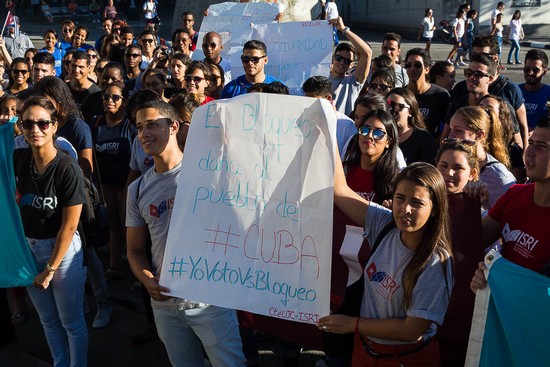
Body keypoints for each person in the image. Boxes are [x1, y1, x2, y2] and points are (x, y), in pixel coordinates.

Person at [126, 100, 246, 366]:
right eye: (139, 127)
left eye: (153, 124)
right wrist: (147, 281)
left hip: (210, 301)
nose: (145, 133)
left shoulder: (208, 174)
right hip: (164, 304)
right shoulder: (137, 190)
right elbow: (134, 250)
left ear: (174, 127)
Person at [318, 160, 453, 366]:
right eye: (400, 198)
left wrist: (353, 324)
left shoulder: (434, 262)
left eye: (417, 202)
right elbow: (340, 191)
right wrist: (328, 128)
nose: (405, 209)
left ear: (435, 209)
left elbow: (412, 330)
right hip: (365, 351)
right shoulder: (385, 223)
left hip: (406, 359)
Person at [13, 95, 88, 367]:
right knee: (48, 321)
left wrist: (50, 269)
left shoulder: (67, 167)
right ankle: (60, 363)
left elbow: (69, 226)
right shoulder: (19, 159)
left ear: (54, 126)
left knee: (72, 323)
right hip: (30, 250)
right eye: (28, 124)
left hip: (63, 252)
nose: (36, 130)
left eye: (43, 123)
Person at [470, 116, 550, 288]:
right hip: (500, 309)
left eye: (542, 146)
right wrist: (468, 205)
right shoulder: (514, 195)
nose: (529, 151)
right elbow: (470, 243)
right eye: (531, 142)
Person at [435, 141, 483, 367]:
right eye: (443, 165)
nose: (448, 173)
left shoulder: (477, 203)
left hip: (459, 315)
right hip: (422, 309)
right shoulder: (423, 200)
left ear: (473, 173)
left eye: (458, 168)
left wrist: (482, 199)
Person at [94, 81, 136, 279]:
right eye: (106, 97)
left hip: (127, 182)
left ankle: (135, 273)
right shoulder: (97, 123)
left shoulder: (130, 124)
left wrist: (130, 185)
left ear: (124, 101)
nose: (109, 101)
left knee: (129, 226)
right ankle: (114, 265)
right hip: (106, 184)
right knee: (113, 225)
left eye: (115, 97)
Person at [448, 106, 515, 210]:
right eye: (451, 129)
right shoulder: (448, 163)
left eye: (458, 130)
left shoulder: (499, 177)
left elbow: (505, 219)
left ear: (479, 135)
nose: (450, 136)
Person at [302, 75, 357, 157]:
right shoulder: (302, 121)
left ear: (328, 98)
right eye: (306, 100)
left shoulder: (347, 126)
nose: (308, 105)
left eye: (312, 101)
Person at [329, 16, 372, 116]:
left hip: (345, 130)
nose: (342, 62)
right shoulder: (321, 78)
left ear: (352, 65)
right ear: (333, 58)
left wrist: (344, 29)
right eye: (339, 58)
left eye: (347, 61)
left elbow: (367, 53)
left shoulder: (353, 82)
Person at [405, 48, 450, 137]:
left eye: (417, 65)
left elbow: (446, 125)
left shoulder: (440, 95)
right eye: (408, 65)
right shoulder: (401, 95)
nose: (412, 68)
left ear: (427, 69)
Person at [388, 87, 437, 165]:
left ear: (410, 111)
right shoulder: (379, 135)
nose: (394, 110)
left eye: (400, 106)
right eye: (390, 105)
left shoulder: (423, 139)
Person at [519, 49, 550, 130]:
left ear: (544, 71)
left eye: (535, 70)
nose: (530, 73)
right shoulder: (514, 91)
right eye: (527, 69)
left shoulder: (548, 93)